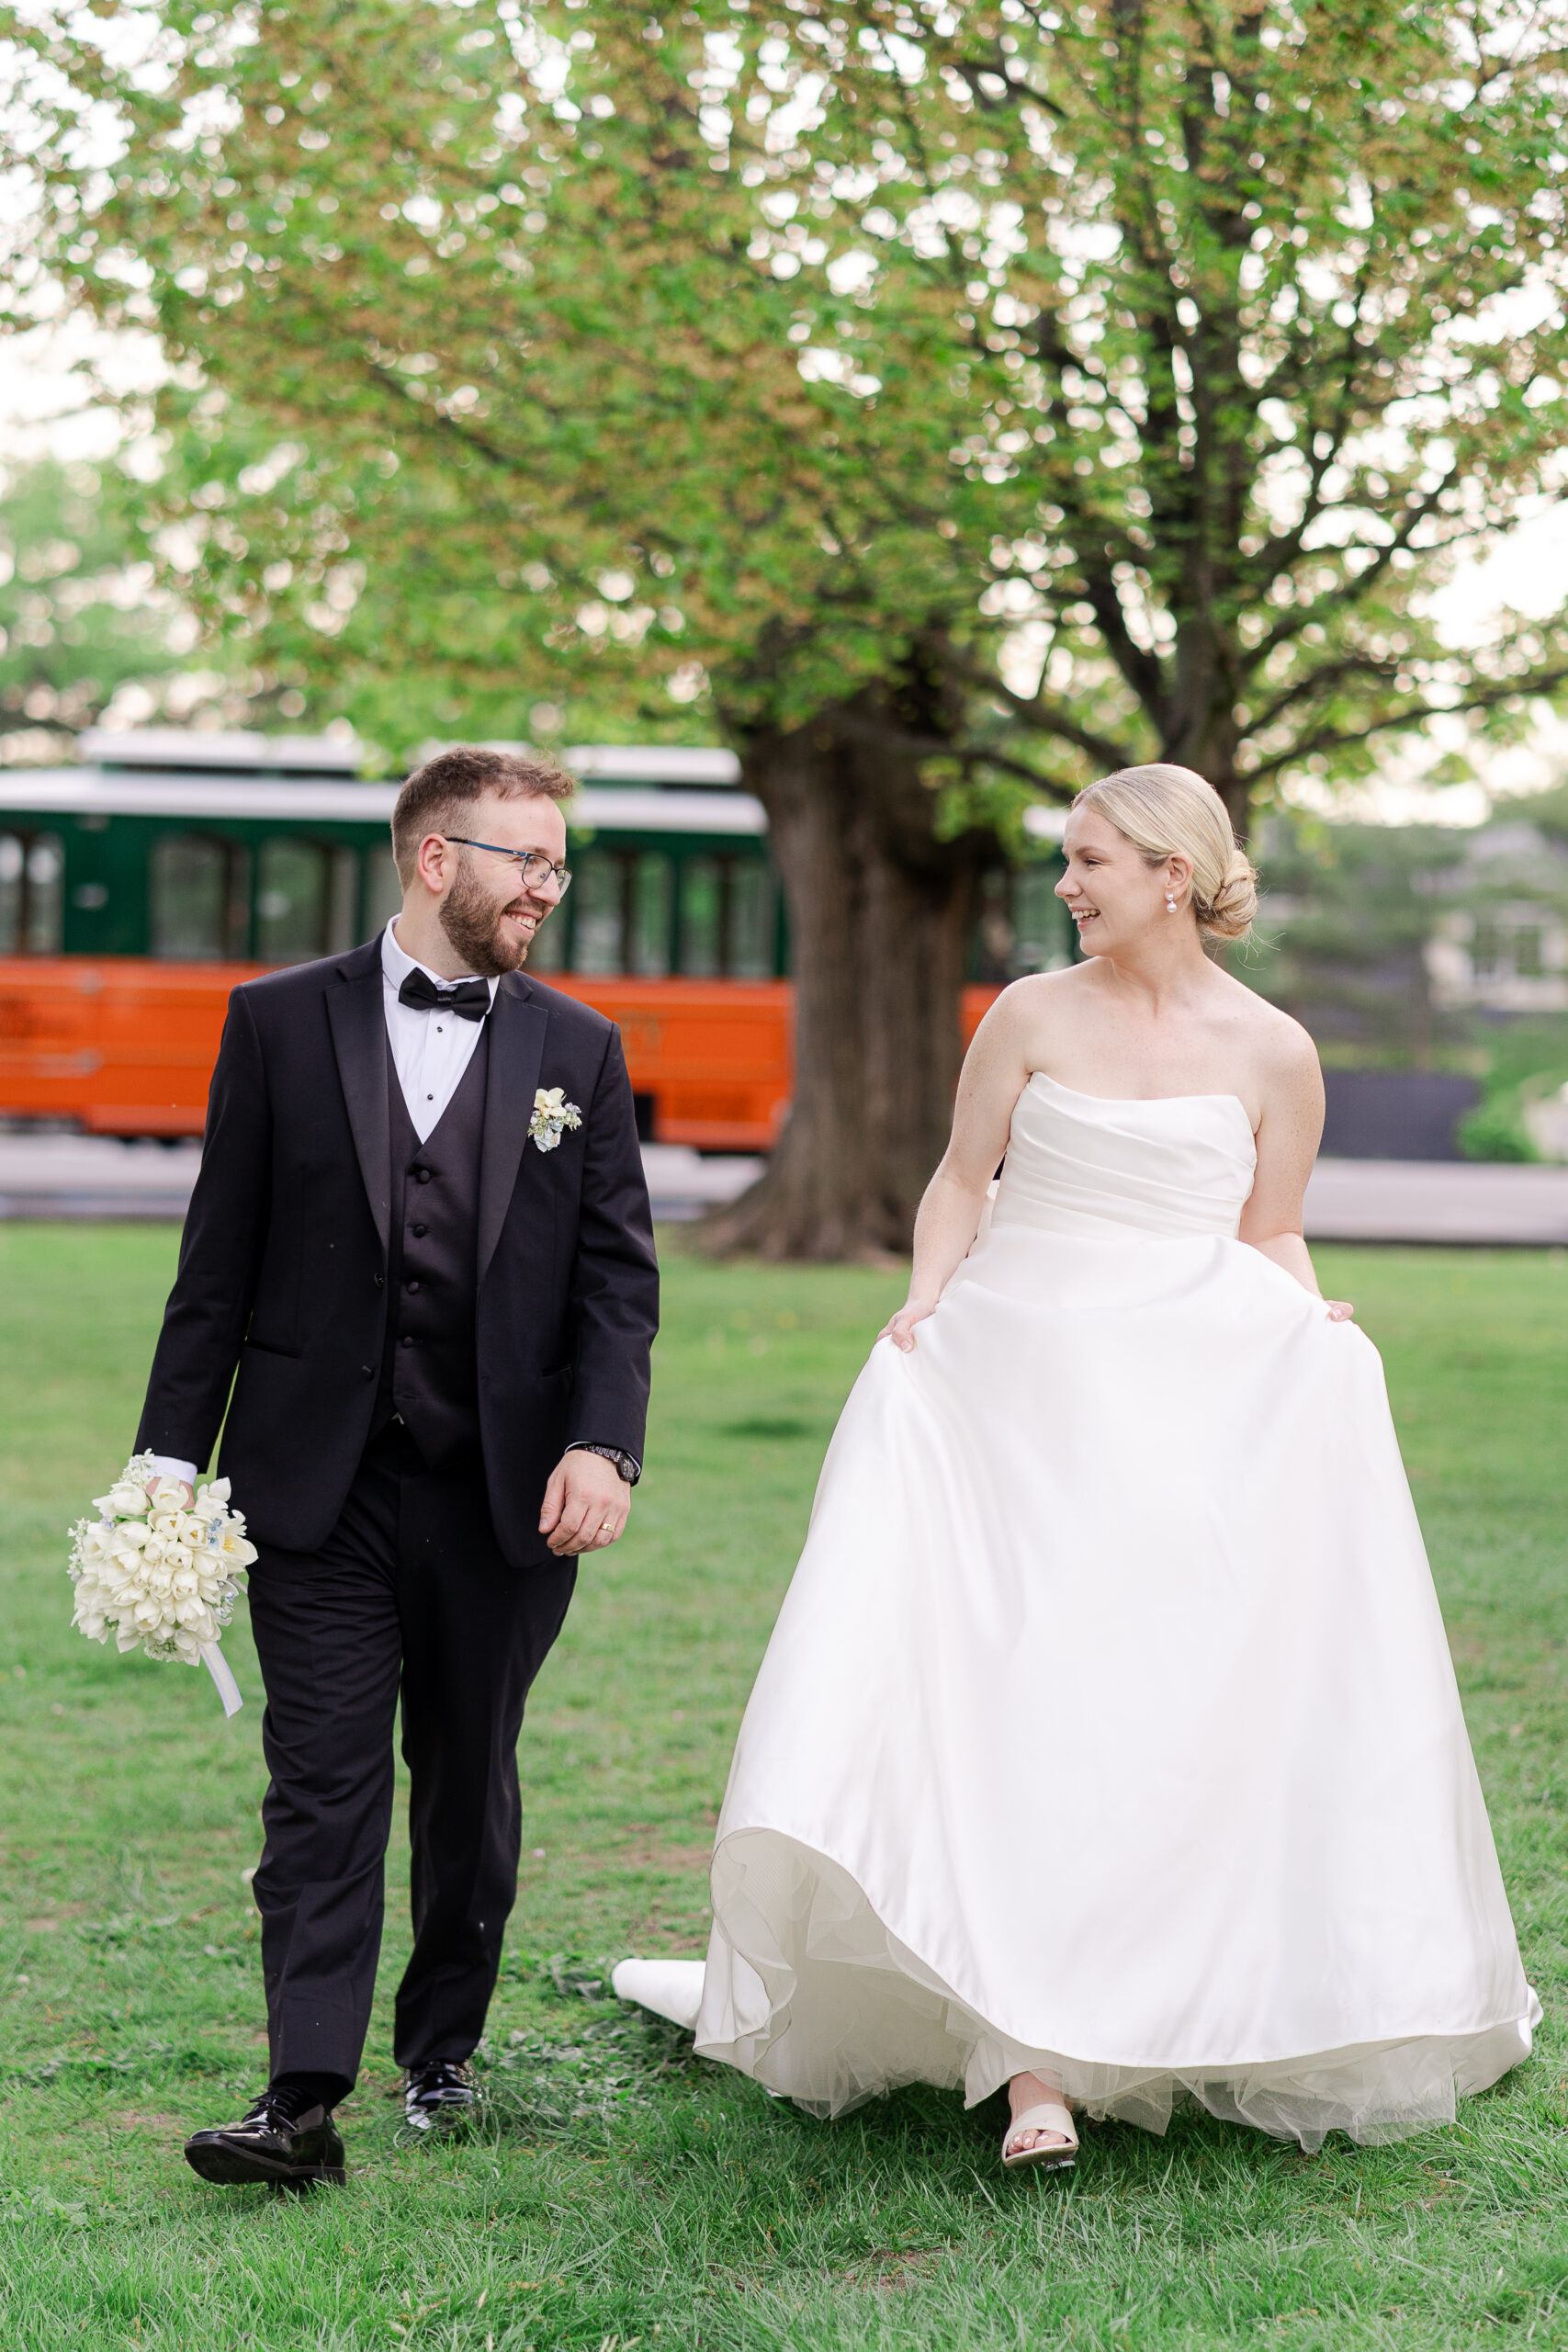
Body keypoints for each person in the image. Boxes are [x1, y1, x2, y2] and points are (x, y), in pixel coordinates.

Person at [614, 762, 1537, 2170]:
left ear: (1175, 873)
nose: (1066, 884)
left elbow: (1267, 1229)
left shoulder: (1277, 1051)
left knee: (1144, 1711)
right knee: (1006, 1696)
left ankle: (1149, 1998)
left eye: (1091, 861)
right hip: (1014, 1389)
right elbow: (961, 1182)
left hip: (1183, 1407)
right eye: (1066, 859)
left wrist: (1308, 1317)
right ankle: (1026, 2059)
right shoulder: (1030, 1016)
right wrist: (928, 1302)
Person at [136, 745, 659, 2188]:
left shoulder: (580, 1051)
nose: (549, 888)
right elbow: (215, 1267)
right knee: (319, 1785)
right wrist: (167, 1465)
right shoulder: (278, 1023)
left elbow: (618, 1281)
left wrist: (604, 1443)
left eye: (560, 865)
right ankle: (300, 2101)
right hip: (316, 1489)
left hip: (504, 1497)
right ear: (440, 859)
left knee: (467, 1781)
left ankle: (442, 2052)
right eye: (528, 861)